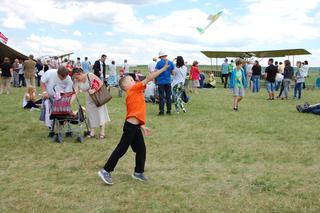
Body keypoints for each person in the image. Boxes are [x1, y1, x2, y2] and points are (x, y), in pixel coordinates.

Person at [98, 61, 169, 185]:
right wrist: (163, 69)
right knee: (121, 149)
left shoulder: (135, 92)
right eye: (131, 80)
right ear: (126, 86)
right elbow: (149, 78)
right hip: (131, 127)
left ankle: (138, 172)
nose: (134, 81)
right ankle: (106, 170)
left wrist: (142, 126)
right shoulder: (133, 89)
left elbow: (134, 112)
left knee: (141, 149)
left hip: (135, 126)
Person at [72, 68, 111, 139]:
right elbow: (75, 92)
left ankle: (102, 132)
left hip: (98, 98)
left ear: (80, 74)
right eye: (75, 78)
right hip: (89, 100)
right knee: (91, 116)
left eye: (76, 77)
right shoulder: (77, 81)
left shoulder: (90, 75)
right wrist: (69, 102)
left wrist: (93, 90)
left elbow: (100, 83)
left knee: (100, 114)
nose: (76, 79)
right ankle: (92, 132)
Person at [40, 66, 74, 137]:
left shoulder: (68, 79)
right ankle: (52, 129)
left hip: (61, 99)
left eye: (65, 76)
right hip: (49, 97)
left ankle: (57, 130)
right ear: (58, 74)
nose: (64, 78)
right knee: (49, 114)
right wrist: (44, 92)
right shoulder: (50, 73)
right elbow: (42, 82)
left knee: (61, 114)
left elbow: (68, 93)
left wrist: (63, 100)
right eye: (62, 76)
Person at [155, 51, 174, 115]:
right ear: (165, 55)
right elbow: (173, 73)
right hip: (168, 81)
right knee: (168, 96)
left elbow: (156, 72)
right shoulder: (170, 62)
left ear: (160, 56)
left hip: (160, 81)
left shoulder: (159, 63)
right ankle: (169, 110)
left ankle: (161, 111)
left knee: (161, 96)